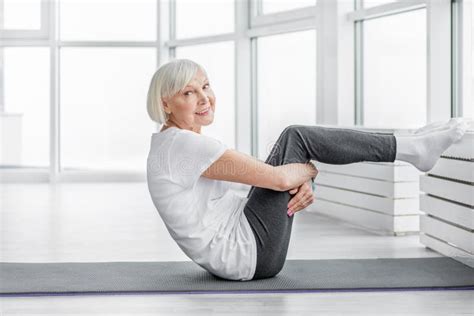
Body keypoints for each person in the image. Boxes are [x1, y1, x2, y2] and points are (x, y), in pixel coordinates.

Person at [146, 58, 468, 281]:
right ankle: (413, 147)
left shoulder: (172, 145)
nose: (205, 98)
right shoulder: (182, 146)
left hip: (240, 252)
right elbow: (278, 177)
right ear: (166, 103)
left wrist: (297, 180)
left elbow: (256, 183)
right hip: (249, 253)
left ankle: (413, 141)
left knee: (293, 145)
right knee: (296, 137)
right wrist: (307, 173)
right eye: (189, 92)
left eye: (206, 86)